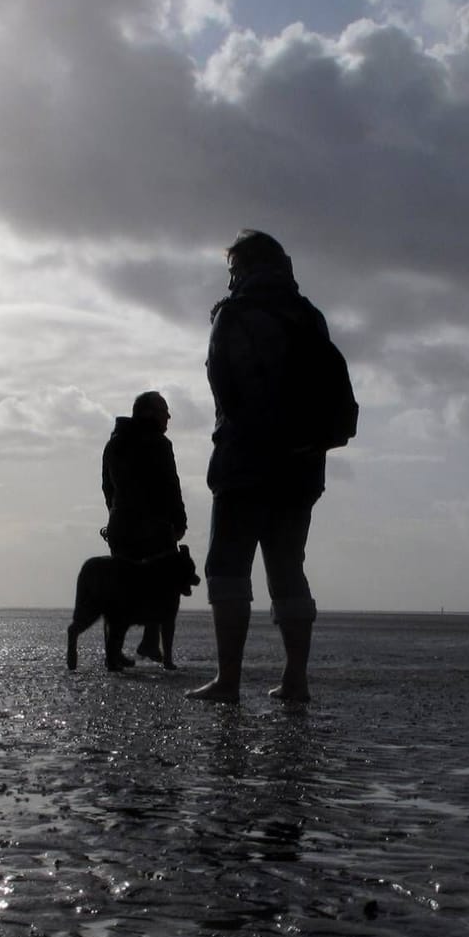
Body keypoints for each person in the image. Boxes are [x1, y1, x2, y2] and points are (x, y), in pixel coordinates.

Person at [187, 229, 350, 704]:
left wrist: (246, 437)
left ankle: (229, 681)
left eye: (232, 269)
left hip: (245, 462)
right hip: (301, 466)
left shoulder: (234, 315)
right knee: (287, 569)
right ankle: (296, 679)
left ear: (241, 269)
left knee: (228, 568)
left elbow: (226, 390)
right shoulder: (308, 315)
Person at [102, 390, 188, 662]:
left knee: (121, 589)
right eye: (164, 411)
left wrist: (114, 514)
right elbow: (170, 485)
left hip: (121, 524)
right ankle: (150, 643)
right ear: (150, 413)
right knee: (164, 586)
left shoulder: (114, 443)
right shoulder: (159, 445)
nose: (169, 416)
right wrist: (179, 520)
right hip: (154, 526)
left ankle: (113, 653)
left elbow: (107, 486)